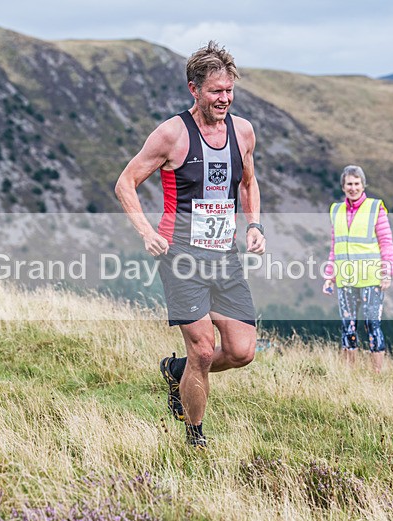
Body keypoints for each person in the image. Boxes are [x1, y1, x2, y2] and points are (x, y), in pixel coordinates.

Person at [115, 41, 265, 449]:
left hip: (225, 257)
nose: (225, 98)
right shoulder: (171, 134)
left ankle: (176, 372)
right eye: (216, 91)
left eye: (229, 90)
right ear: (193, 89)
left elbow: (248, 182)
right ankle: (194, 439)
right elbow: (125, 182)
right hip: (181, 258)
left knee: (241, 350)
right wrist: (147, 232)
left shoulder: (243, 131)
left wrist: (254, 226)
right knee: (203, 350)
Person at [322, 165, 393, 372]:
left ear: (363, 185)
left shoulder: (375, 208)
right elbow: (335, 246)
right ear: (343, 187)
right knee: (348, 327)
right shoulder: (336, 210)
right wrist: (330, 276)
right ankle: (349, 373)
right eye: (349, 184)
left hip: (372, 279)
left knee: (372, 325)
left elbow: (386, 242)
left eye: (356, 184)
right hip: (345, 279)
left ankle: (376, 374)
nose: (353, 188)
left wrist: (386, 273)